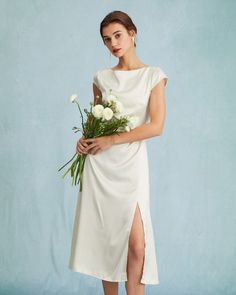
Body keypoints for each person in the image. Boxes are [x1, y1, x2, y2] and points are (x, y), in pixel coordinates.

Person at [68, 10, 168, 295]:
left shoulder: (153, 76)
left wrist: (113, 139)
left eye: (117, 35)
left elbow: (156, 126)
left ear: (132, 33)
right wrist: (83, 142)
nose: (113, 43)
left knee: (137, 245)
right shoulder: (101, 77)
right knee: (108, 243)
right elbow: (93, 125)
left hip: (131, 164)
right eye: (106, 39)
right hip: (101, 166)